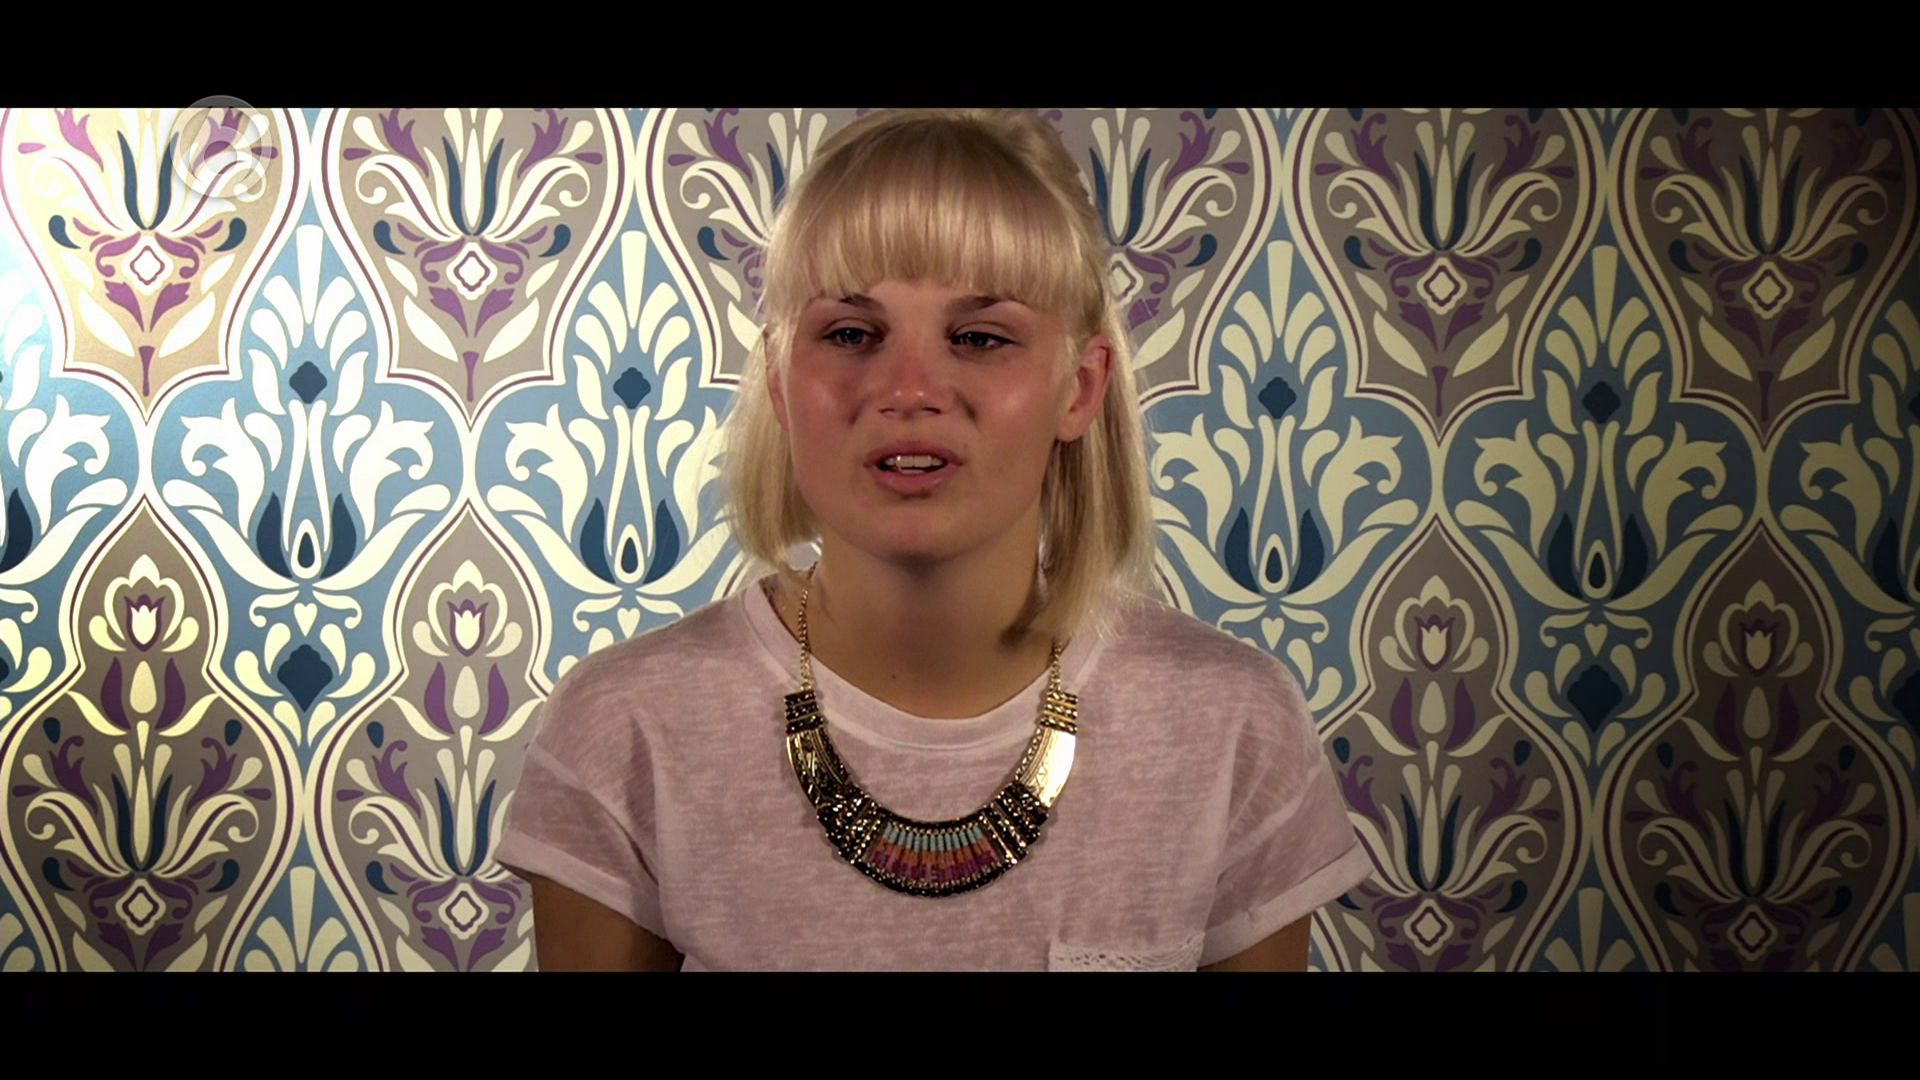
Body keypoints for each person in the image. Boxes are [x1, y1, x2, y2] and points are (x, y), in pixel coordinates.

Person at [491, 108, 1373, 971]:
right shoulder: (624, 728)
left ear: (1080, 386)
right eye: (850, 334)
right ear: (779, 380)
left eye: (979, 337)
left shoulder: (1232, 722)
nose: (909, 389)